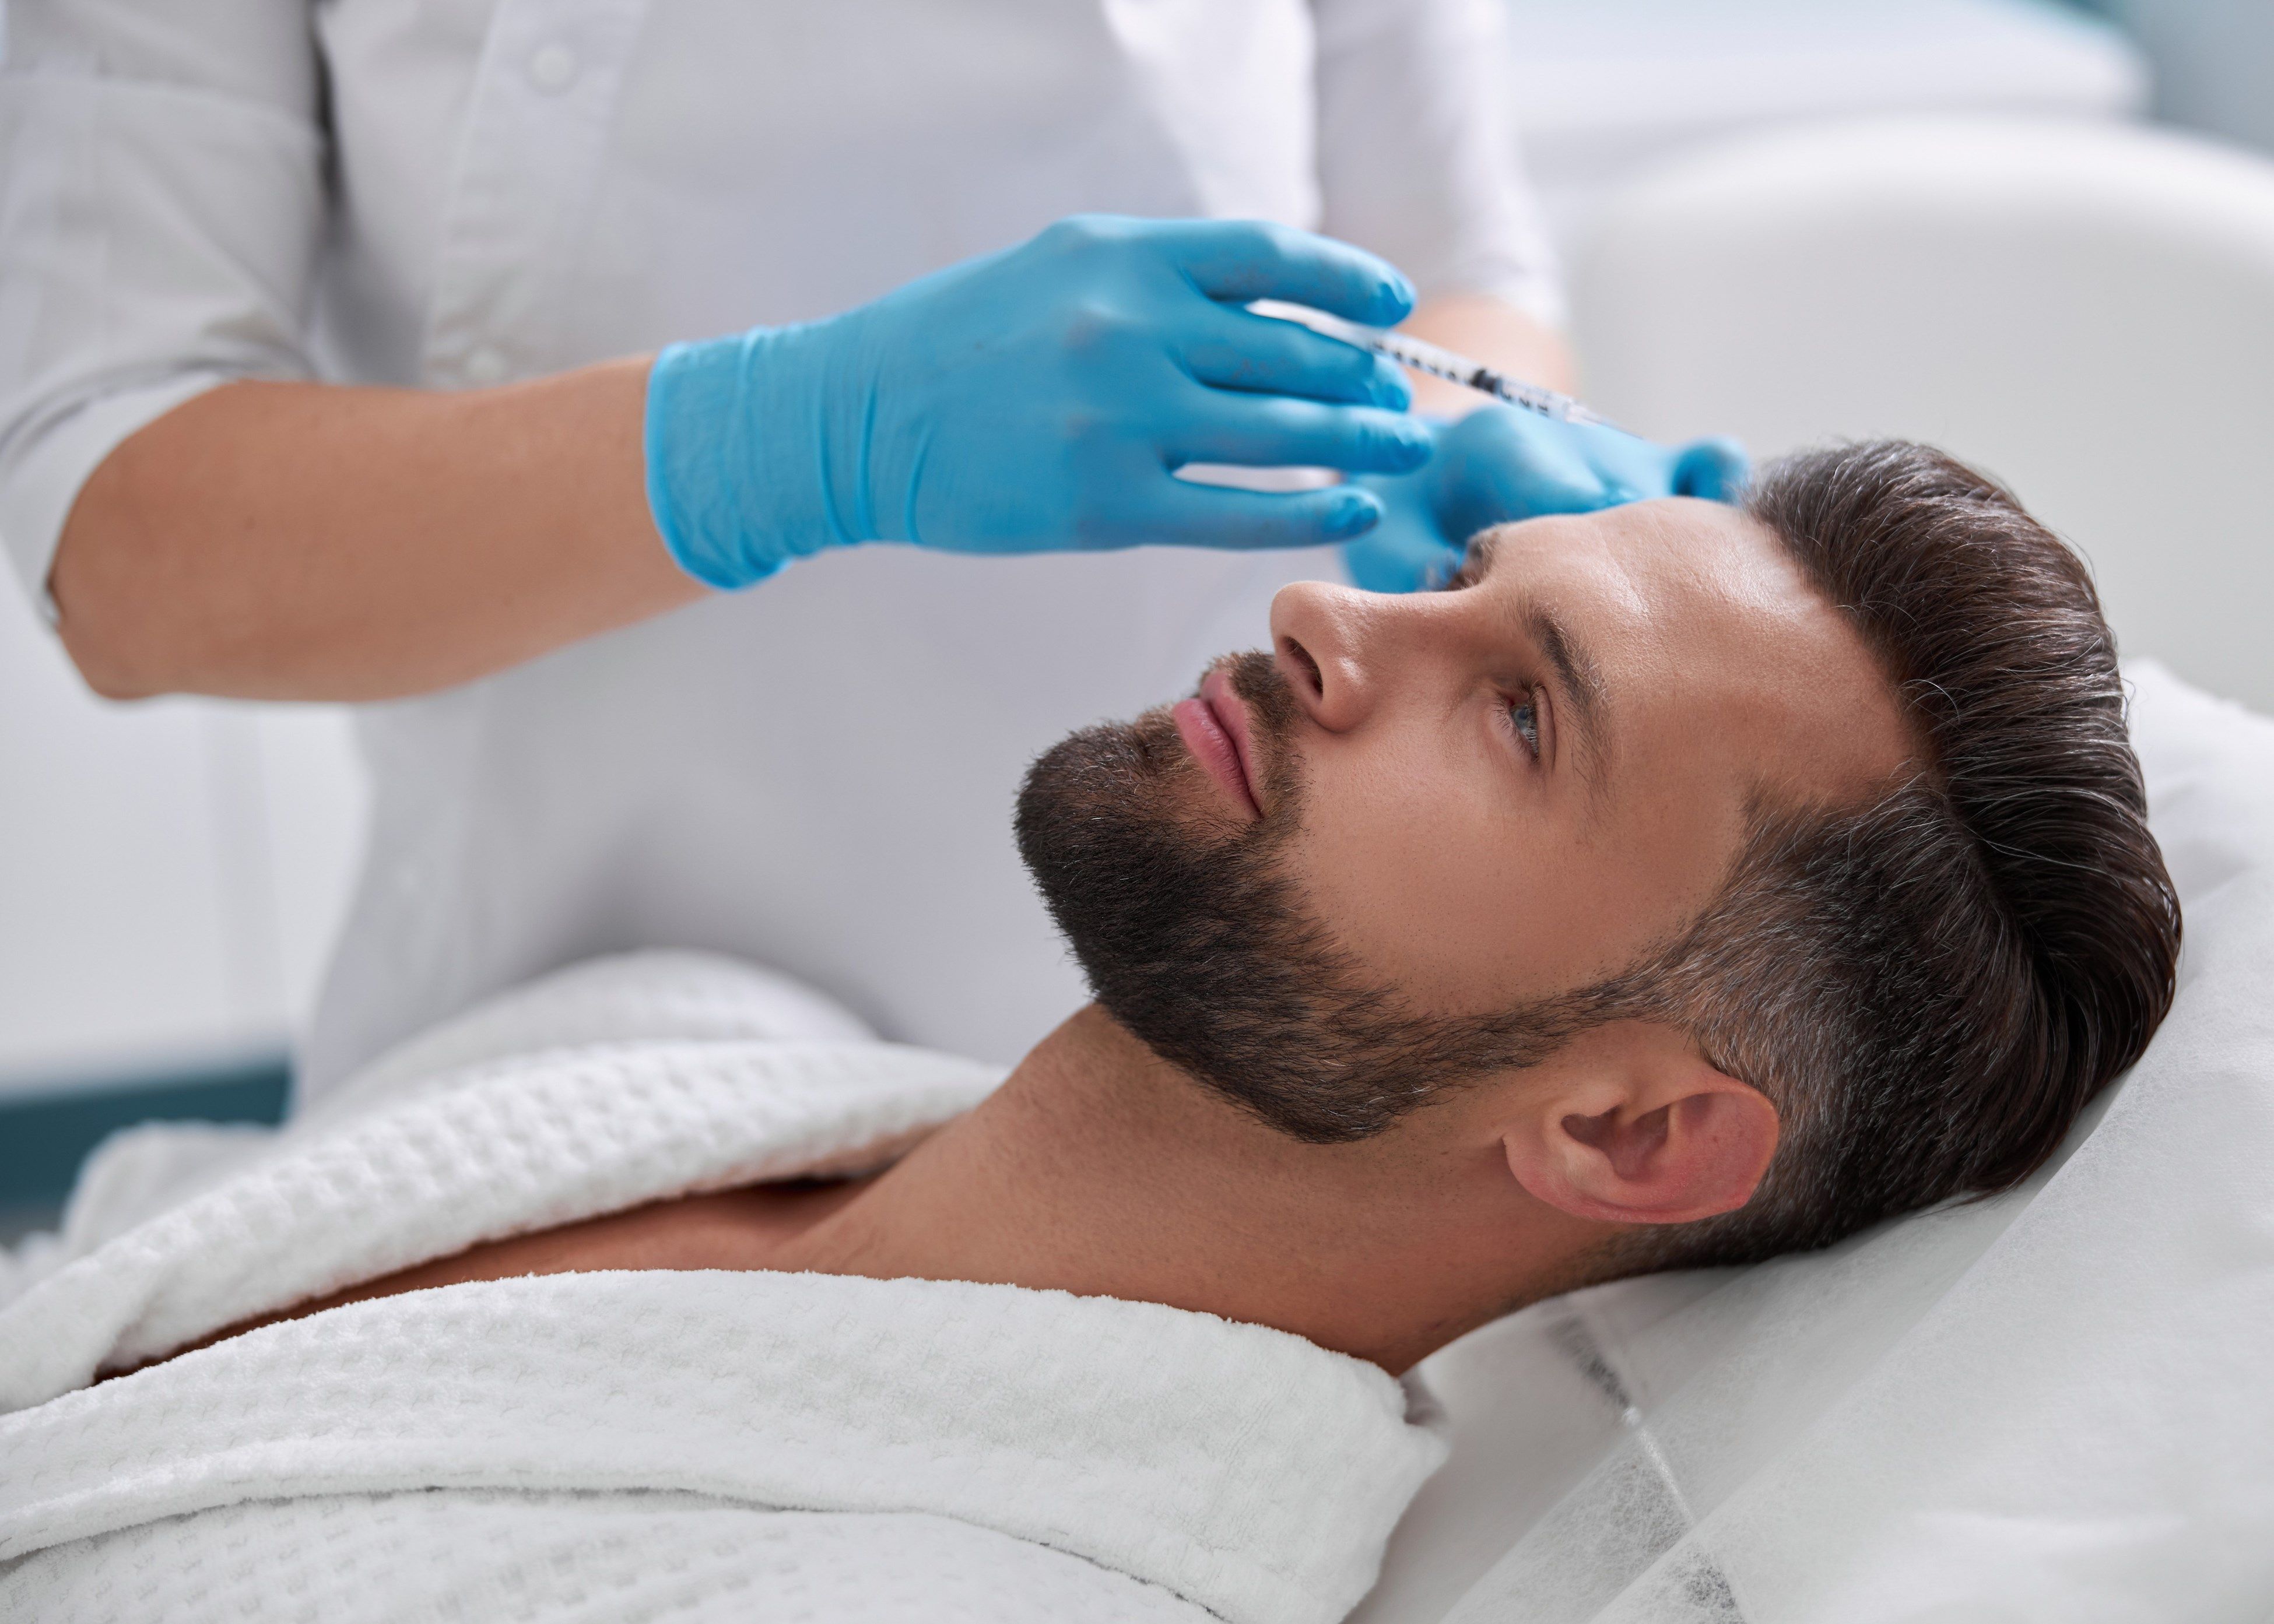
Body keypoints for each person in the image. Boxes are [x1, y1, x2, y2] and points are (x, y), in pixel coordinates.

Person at [0, 442, 2180, 1622]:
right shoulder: (672, 1033)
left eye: (1521, 708)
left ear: (1626, 1137)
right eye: (1469, 571)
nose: (1337, 611)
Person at [0, 0, 1741, 1101]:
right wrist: (784, 437)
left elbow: (1457, 257)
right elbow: (125, 537)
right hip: (556, 1018)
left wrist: (1462, 462)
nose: (1321, 630)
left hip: (1250, 1039)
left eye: (1524, 713)